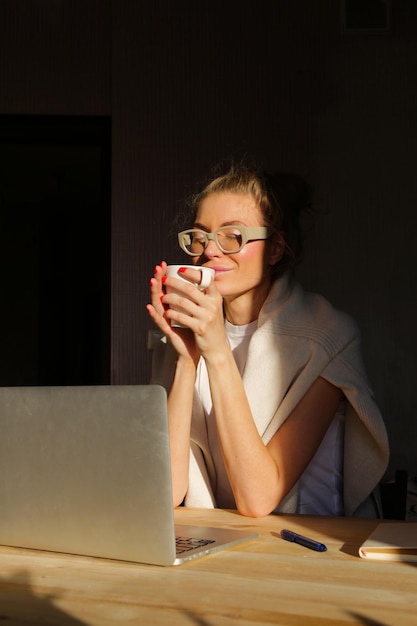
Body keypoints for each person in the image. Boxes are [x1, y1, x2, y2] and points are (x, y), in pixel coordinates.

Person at [147, 163, 389, 518]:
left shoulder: (329, 336)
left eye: (234, 236)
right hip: (220, 542)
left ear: (275, 248)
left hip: (308, 550)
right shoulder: (188, 330)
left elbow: (258, 499)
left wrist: (216, 353)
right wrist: (185, 359)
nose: (211, 251)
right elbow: (162, 492)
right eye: (200, 236)